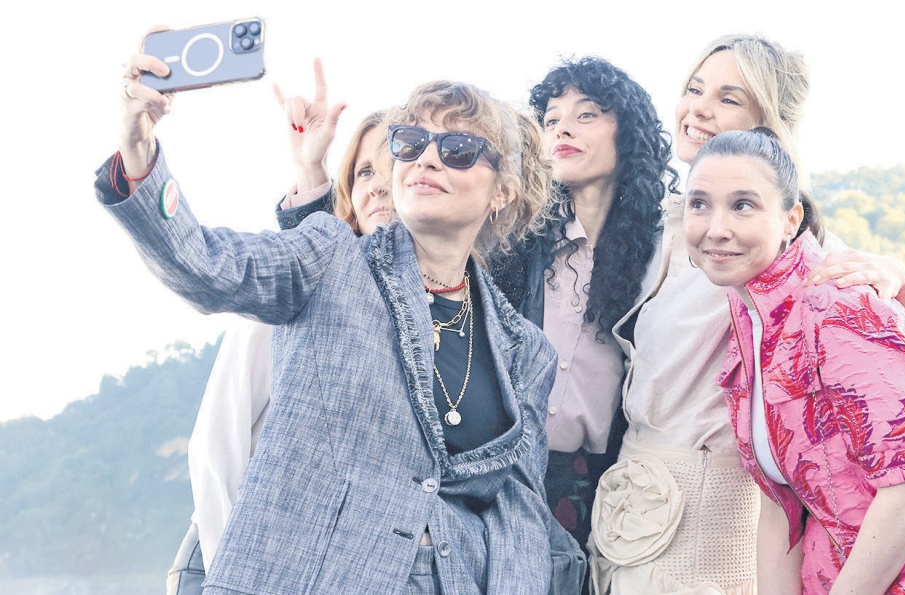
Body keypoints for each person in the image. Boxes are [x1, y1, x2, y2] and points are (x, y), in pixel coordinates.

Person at [105, 45, 583, 593]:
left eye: (457, 149)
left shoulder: (525, 350)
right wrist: (138, 151)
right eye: (411, 143)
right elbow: (207, 265)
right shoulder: (330, 258)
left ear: (504, 191)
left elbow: (518, 517)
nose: (426, 159)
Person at [588, 34, 905, 594]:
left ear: (769, 124)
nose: (699, 109)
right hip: (627, 516)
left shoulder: (785, 248)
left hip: (710, 526)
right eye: (694, 89)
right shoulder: (664, 225)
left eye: (728, 98)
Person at [686, 126, 905, 594]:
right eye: (699, 204)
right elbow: (781, 503)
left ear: (791, 220)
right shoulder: (750, 321)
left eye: (743, 205)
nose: (716, 228)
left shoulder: (838, 308)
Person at [166, 101, 392, 594]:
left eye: (393, 166)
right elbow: (217, 445)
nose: (378, 185)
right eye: (364, 171)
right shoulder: (300, 285)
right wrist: (233, 576)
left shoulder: (428, 318)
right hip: (229, 558)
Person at [491, 56, 677, 550]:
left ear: (628, 132)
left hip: (596, 484)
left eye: (587, 114)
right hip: (498, 466)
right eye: (551, 120)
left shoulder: (660, 252)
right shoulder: (513, 241)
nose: (563, 128)